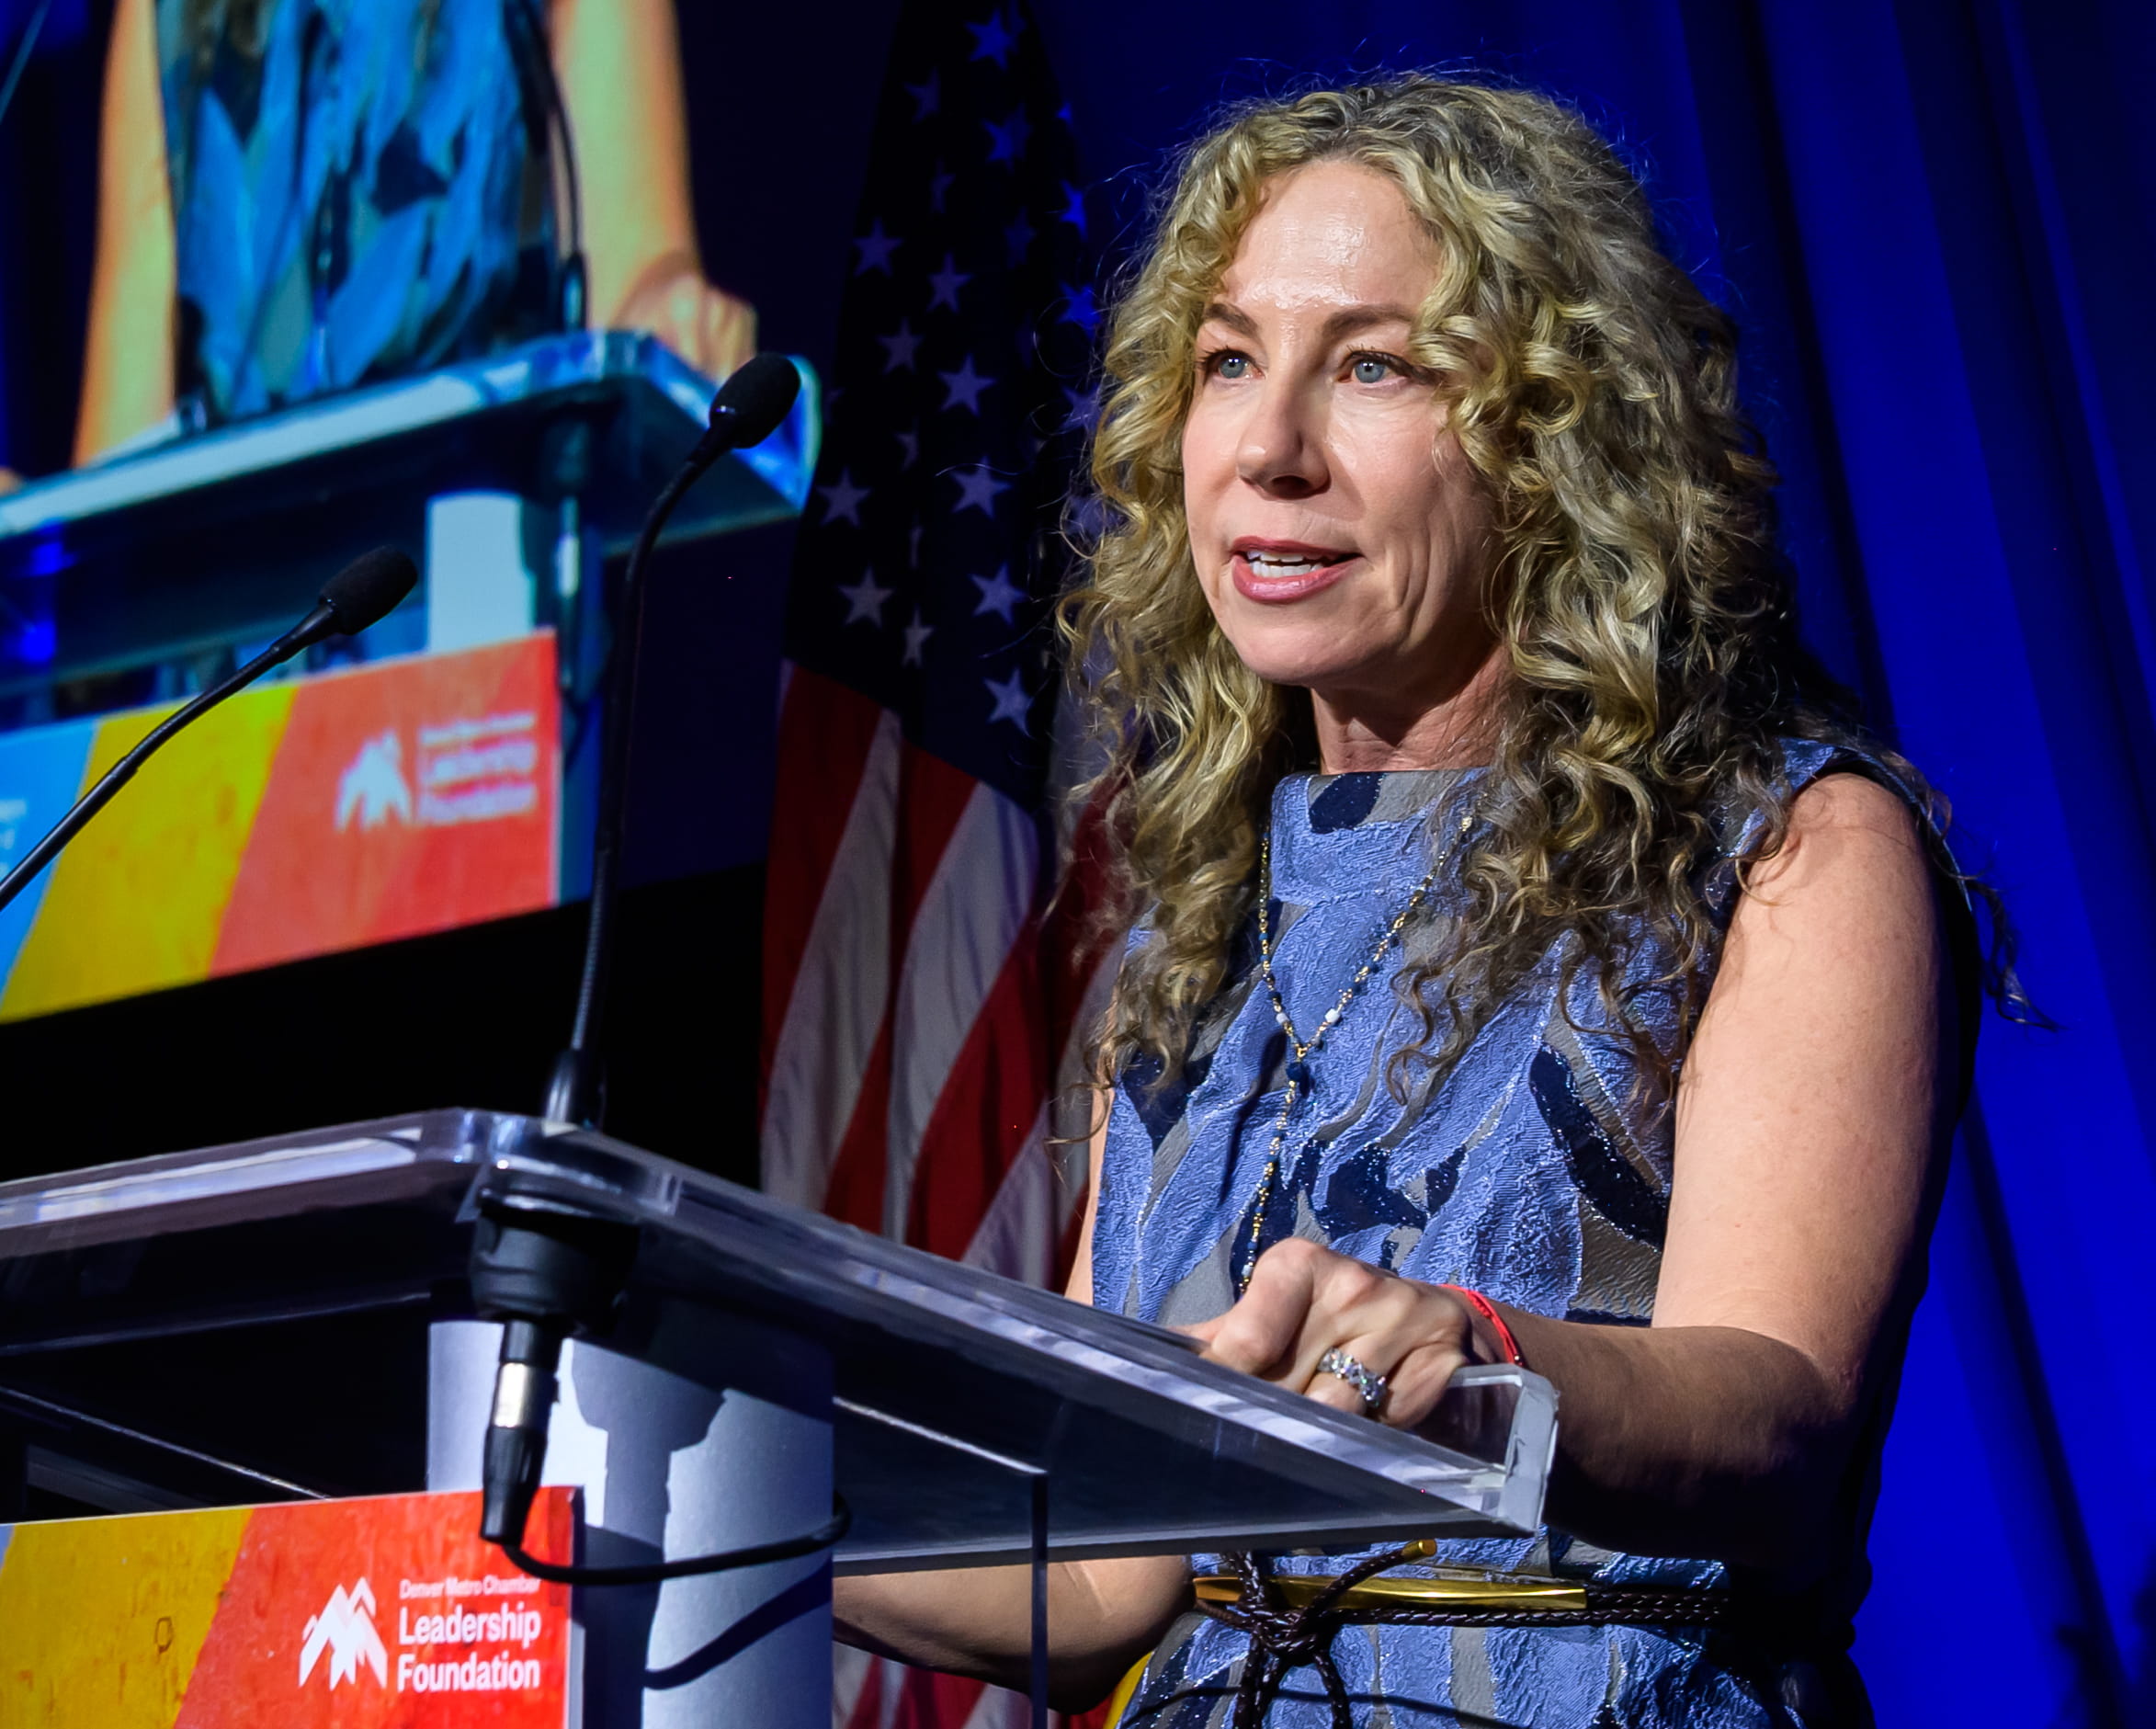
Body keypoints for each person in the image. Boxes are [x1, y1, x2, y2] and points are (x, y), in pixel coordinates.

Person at [834, 75, 1991, 1728]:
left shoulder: (1785, 847)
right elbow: (1100, 1579)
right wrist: (724, 1473)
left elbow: (1777, 1426)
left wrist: (1471, 1351)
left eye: (1372, 365)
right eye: (1229, 361)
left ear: (1554, 436)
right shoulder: (1194, 941)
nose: (1269, 449)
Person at [70, 0, 753, 463]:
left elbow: (637, 285)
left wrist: (672, 310)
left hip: (477, 619)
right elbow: (120, 443)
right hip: (226, 647)